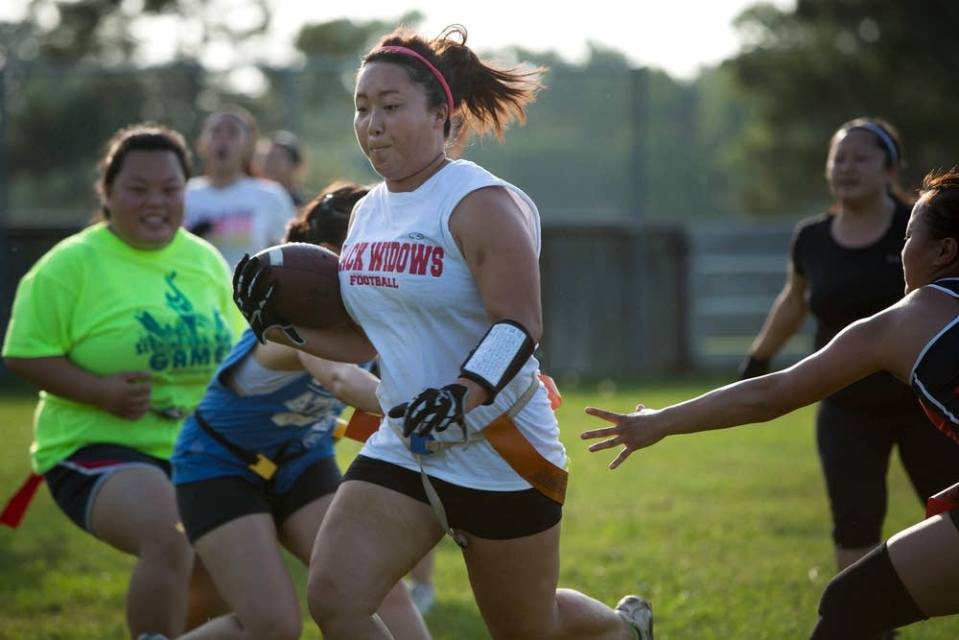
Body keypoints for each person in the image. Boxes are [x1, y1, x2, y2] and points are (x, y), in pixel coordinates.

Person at [232, 24, 653, 640]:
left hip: (501, 447)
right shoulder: (370, 211)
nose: (371, 122)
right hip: (407, 441)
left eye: (391, 106)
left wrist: (463, 393)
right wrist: (282, 328)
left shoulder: (479, 201)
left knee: (527, 629)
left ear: (442, 114)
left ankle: (620, 630)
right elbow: (369, 337)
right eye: (362, 107)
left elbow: (520, 326)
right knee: (335, 596)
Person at [582, 167, 959, 638]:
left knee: (851, 604)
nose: (900, 251)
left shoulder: (909, 321)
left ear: (944, 251)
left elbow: (768, 396)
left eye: (908, 236)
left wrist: (659, 422)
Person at [1, 123, 236, 639]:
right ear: (107, 193)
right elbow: (23, 354)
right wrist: (100, 391)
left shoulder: (205, 262)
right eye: (138, 188)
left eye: (170, 189)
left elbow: (239, 353)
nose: (156, 202)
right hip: (92, 445)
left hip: (193, 450)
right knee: (171, 536)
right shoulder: (68, 265)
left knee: (228, 572)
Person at [172, 183, 429, 640]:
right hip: (218, 467)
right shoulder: (293, 320)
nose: (386, 267)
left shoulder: (369, 316)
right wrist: (420, 411)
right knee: (271, 625)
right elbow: (342, 380)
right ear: (327, 256)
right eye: (375, 251)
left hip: (300, 461)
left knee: (379, 592)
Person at [737, 117, 959, 574]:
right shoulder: (812, 238)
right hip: (847, 405)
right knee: (854, 525)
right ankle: (870, 620)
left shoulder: (923, 229)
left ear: (890, 169)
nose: (847, 167)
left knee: (947, 519)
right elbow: (794, 300)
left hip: (926, 402)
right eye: (839, 157)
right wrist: (758, 359)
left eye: (861, 157)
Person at [185, 105, 297, 267]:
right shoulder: (184, 194)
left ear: (249, 145)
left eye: (233, 133)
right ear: (201, 144)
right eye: (215, 132)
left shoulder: (270, 196)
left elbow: (286, 257)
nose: (223, 140)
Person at [254, 130, 308, 207]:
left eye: (279, 158)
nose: (271, 164)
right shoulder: (254, 200)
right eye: (269, 157)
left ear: (294, 165)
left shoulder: (303, 206)